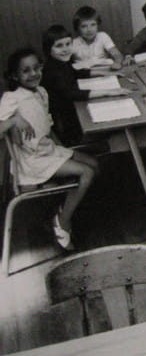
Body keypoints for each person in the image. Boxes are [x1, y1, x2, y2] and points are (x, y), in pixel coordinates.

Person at [0, 48, 99, 250]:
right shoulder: (11, 98)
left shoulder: (41, 92)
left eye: (36, 68)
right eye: (26, 71)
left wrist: (63, 151)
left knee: (94, 164)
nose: (33, 74)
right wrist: (14, 120)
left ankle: (64, 207)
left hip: (48, 150)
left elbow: (48, 126)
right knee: (86, 172)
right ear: (15, 76)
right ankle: (62, 221)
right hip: (32, 160)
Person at [40, 25, 128, 146]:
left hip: (72, 109)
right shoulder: (52, 70)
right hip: (67, 123)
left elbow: (75, 72)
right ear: (48, 48)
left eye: (68, 44)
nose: (65, 49)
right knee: (114, 121)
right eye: (59, 46)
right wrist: (108, 92)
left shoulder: (60, 62)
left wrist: (104, 73)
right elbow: (72, 93)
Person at [71, 5, 125, 70]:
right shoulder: (74, 43)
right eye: (84, 26)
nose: (89, 30)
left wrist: (117, 62)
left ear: (98, 25)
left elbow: (117, 54)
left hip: (104, 70)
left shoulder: (102, 36)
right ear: (77, 28)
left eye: (93, 24)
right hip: (85, 73)